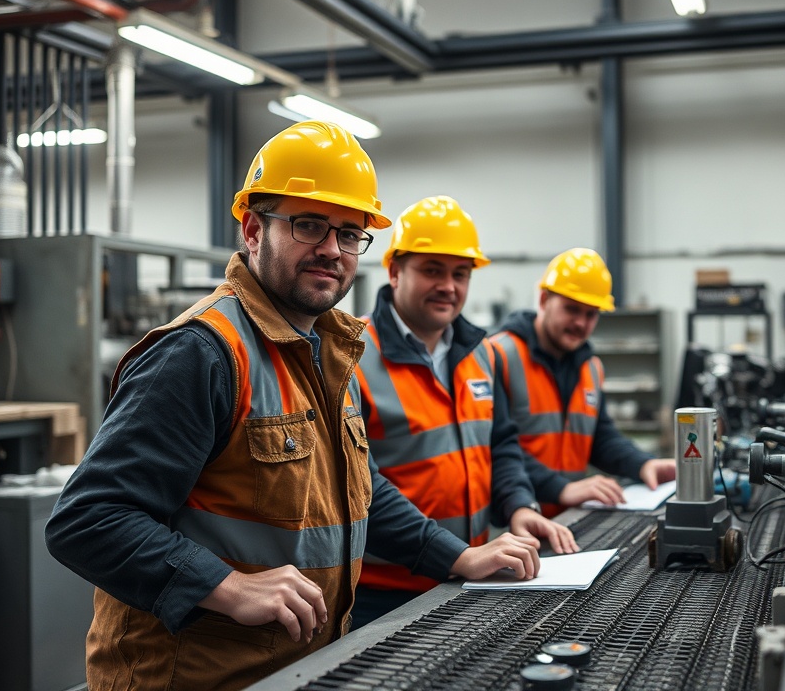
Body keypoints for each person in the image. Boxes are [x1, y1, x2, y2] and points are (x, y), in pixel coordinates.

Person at [44, 123, 544, 691]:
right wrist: (227, 586)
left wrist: (458, 557)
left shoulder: (331, 352)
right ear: (253, 229)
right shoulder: (201, 354)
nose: (332, 249)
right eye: (309, 225)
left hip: (299, 668)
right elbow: (87, 520)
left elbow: (361, 492)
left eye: (351, 233)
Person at [351, 195, 579, 628]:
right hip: (382, 594)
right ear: (395, 271)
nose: (449, 286)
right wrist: (457, 556)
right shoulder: (352, 356)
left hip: (467, 578)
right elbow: (359, 489)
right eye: (432, 270)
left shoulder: (481, 355)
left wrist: (519, 505)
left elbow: (501, 444)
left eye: (460, 273)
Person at [490, 247, 676, 517]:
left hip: (568, 518)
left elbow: (600, 439)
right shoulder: (498, 356)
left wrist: (642, 464)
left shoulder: (590, 367)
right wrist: (560, 488)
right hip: (511, 522)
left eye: (591, 314)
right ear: (543, 300)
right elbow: (493, 448)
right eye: (572, 309)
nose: (581, 323)